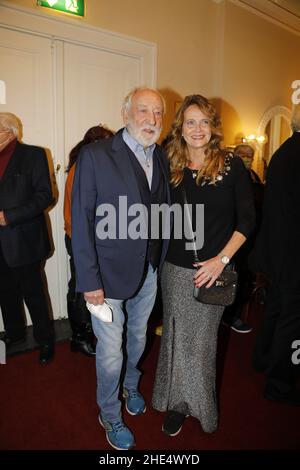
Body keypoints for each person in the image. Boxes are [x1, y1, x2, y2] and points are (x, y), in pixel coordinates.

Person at [71, 87, 170, 450]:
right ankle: (110, 413)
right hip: (106, 277)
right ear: (126, 112)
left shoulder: (159, 155)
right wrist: (89, 281)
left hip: (148, 271)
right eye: (144, 110)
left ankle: (131, 385)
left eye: (158, 113)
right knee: (110, 351)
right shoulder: (96, 155)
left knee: (140, 338)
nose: (152, 119)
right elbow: (81, 221)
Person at [152, 94, 255, 437]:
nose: (197, 129)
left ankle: (202, 408)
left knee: (203, 343)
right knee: (176, 338)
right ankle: (177, 404)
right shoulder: (170, 164)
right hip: (175, 268)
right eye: (190, 121)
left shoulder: (232, 166)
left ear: (213, 127)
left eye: (204, 122)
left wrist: (221, 260)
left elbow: (247, 221)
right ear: (180, 127)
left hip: (214, 270)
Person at [251, 104, 300, 405]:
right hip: (294, 253)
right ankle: (280, 384)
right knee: (293, 321)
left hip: (280, 250)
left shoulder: (286, 150)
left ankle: (262, 358)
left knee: (278, 309)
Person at [0, 112, 54, 364]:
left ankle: (45, 340)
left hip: (25, 241)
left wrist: (8, 216)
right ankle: (15, 334)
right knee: (5, 293)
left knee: (34, 294)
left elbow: (45, 196)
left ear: (9, 132)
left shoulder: (33, 155)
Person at [64, 125, 114, 356]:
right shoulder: (82, 168)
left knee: (83, 285)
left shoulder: (92, 165)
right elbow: (79, 214)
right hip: (80, 239)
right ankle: (79, 336)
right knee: (79, 287)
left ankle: (84, 334)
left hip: (88, 238)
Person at [222, 144, 264, 333]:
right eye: (242, 154)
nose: (246, 158)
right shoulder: (227, 174)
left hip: (251, 237)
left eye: (250, 155)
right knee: (232, 277)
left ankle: (234, 314)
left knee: (245, 279)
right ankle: (228, 316)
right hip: (234, 235)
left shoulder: (254, 176)